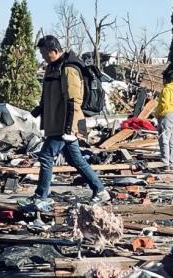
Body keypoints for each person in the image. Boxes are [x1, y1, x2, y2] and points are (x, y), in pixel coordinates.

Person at [20, 35, 110, 211]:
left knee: (46, 155)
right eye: (42, 53)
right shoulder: (52, 67)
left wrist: (69, 127)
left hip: (66, 123)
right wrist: (37, 111)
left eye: (45, 53)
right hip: (56, 122)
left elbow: (73, 100)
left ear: (55, 50)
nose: (44, 57)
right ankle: (100, 190)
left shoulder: (69, 68)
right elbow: (48, 95)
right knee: (74, 158)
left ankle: (40, 197)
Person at [156, 70, 173, 169]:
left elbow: (164, 104)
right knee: (172, 142)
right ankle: (172, 164)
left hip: (166, 115)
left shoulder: (166, 89)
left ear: (166, 80)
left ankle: (165, 163)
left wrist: (157, 114)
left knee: (164, 140)